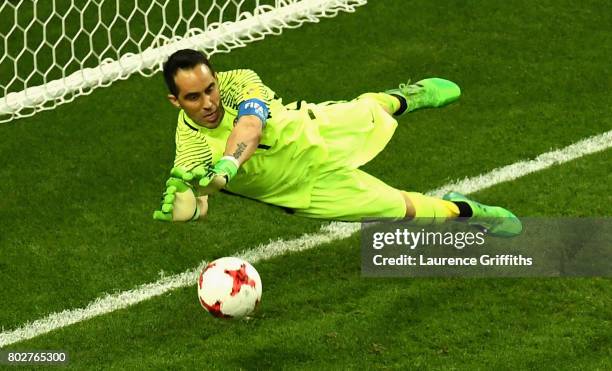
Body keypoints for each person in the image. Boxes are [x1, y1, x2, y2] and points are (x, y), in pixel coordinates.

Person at [153, 49, 521, 237]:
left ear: (216, 79)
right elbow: (200, 194)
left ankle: (406, 97)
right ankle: (467, 211)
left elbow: (250, 126)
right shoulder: (190, 148)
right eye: (193, 98)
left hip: (317, 132)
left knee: (372, 110)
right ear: (176, 102)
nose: (208, 103)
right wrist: (189, 210)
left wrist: (226, 168)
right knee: (404, 210)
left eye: (210, 89)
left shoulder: (238, 82)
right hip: (306, 191)